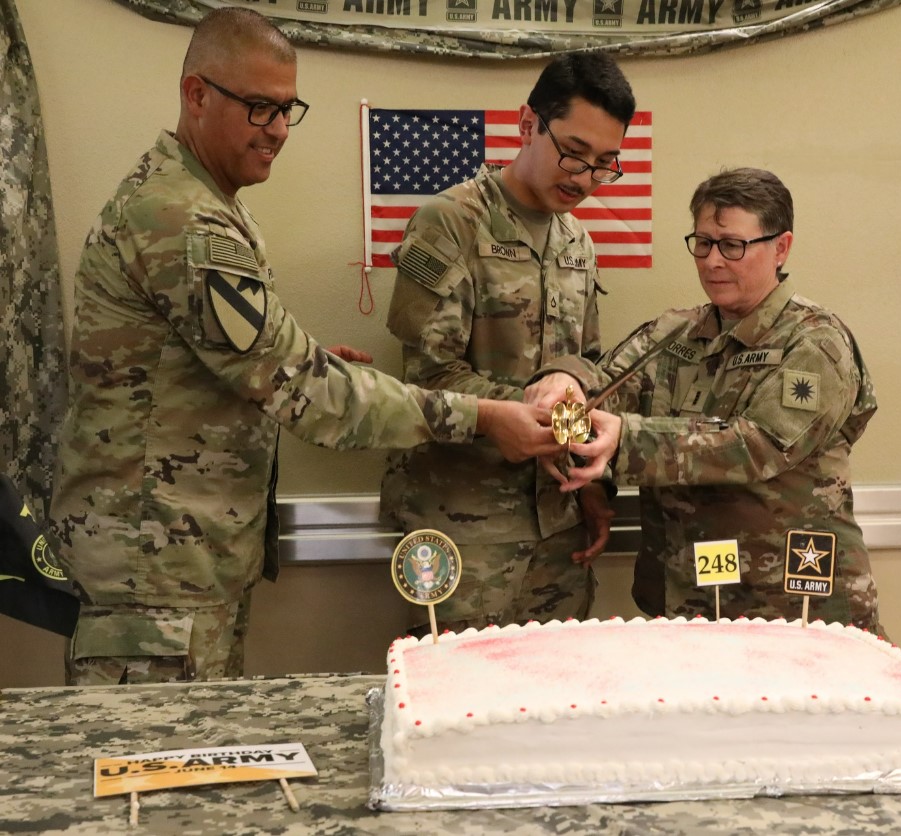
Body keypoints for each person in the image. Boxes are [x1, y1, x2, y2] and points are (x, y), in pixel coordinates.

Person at [49, 8, 562, 686]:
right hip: (155, 578)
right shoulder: (184, 221)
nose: (278, 132)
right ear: (196, 95)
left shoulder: (206, 202)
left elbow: (231, 364)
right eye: (260, 109)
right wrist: (481, 416)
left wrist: (305, 362)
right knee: (155, 780)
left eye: (288, 110)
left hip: (181, 566)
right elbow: (311, 396)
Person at [528, 167, 882, 632]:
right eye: (703, 243)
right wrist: (565, 384)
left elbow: (759, 446)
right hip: (686, 598)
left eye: (732, 245)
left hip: (788, 608)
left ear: (781, 247)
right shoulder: (674, 332)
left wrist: (625, 442)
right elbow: (599, 394)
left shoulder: (815, 342)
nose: (713, 261)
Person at [379, 54, 636, 636]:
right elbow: (427, 376)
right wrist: (517, 412)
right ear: (527, 125)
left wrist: (592, 483)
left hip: (559, 522)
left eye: (603, 164)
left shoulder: (578, 240)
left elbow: (587, 367)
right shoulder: (450, 223)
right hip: (465, 528)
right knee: (457, 703)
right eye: (572, 151)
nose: (584, 177)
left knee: (555, 704)